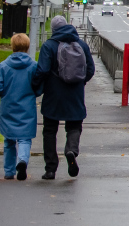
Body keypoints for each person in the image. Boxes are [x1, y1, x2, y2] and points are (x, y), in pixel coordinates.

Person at [33, 15, 95, 180]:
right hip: (75, 93)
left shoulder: (49, 46)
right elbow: (90, 69)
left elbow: (43, 70)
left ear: (53, 29)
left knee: (50, 130)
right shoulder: (81, 44)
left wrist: (35, 86)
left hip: (53, 94)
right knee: (74, 126)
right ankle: (71, 151)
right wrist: (81, 82)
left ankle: (51, 169)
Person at [0, 33, 40, 180]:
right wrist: (33, 94)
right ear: (27, 46)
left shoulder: (4, 66)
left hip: (8, 106)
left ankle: (8, 171)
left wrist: (5, 94)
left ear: (13, 46)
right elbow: (39, 85)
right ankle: (22, 160)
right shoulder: (33, 66)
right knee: (25, 138)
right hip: (27, 107)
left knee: (9, 139)